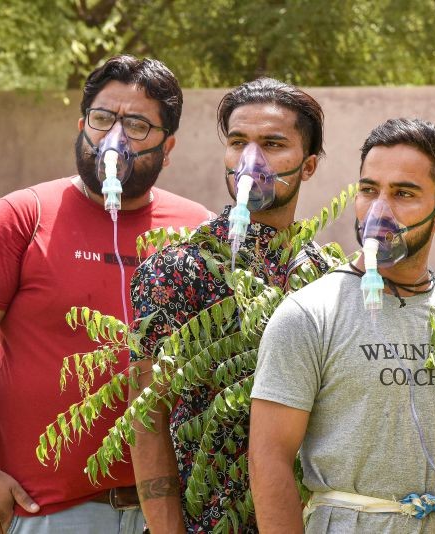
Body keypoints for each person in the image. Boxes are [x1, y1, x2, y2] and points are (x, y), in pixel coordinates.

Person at [0, 55, 214, 534]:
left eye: (136, 124)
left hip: (174, 511)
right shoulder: (23, 217)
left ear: (167, 145)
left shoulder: (195, 230)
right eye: (102, 119)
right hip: (50, 511)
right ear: (82, 125)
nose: (113, 139)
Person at [249, 118, 435, 533]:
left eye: (403, 193)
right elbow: (269, 459)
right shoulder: (309, 315)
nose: (379, 210)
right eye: (369, 190)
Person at [129, 77, 328, 533]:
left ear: (309, 164)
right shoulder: (174, 270)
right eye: (239, 142)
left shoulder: (323, 276)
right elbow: (147, 416)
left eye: (273, 144)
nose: (250, 161)